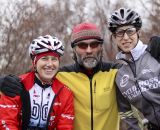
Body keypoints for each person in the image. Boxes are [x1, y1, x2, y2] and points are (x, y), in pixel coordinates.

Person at [0, 22, 120, 130]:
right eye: (82, 45)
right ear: (74, 49)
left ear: (101, 47)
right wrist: (2, 81)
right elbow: (34, 75)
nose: (89, 50)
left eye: (94, 44)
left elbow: (138, 76)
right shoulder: (60, 74)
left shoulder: (116, 72)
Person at [0, 35, 74, 130]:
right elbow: (7, 123)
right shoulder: (16, 86)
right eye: (44, 58)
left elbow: (65, 127)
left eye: (54, 59)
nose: (50, 64)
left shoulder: (66, 93)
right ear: (34, 62)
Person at [108, 7, 160, 130]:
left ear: (138, 32)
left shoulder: (156, 54)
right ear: (114, 37)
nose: (125, 37)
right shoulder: (119, 74)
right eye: (120, 32)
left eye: (130, 31)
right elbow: (126, 113)